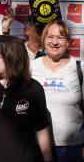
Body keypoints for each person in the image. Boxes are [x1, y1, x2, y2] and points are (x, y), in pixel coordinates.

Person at [30, 19, 84, 162]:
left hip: (72, 148)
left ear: (68, 42)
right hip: (36, 146)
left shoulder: (79, 68)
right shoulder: (30, 67)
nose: (55, 42)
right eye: (50, 37)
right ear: (44, 39)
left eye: (60, 38)